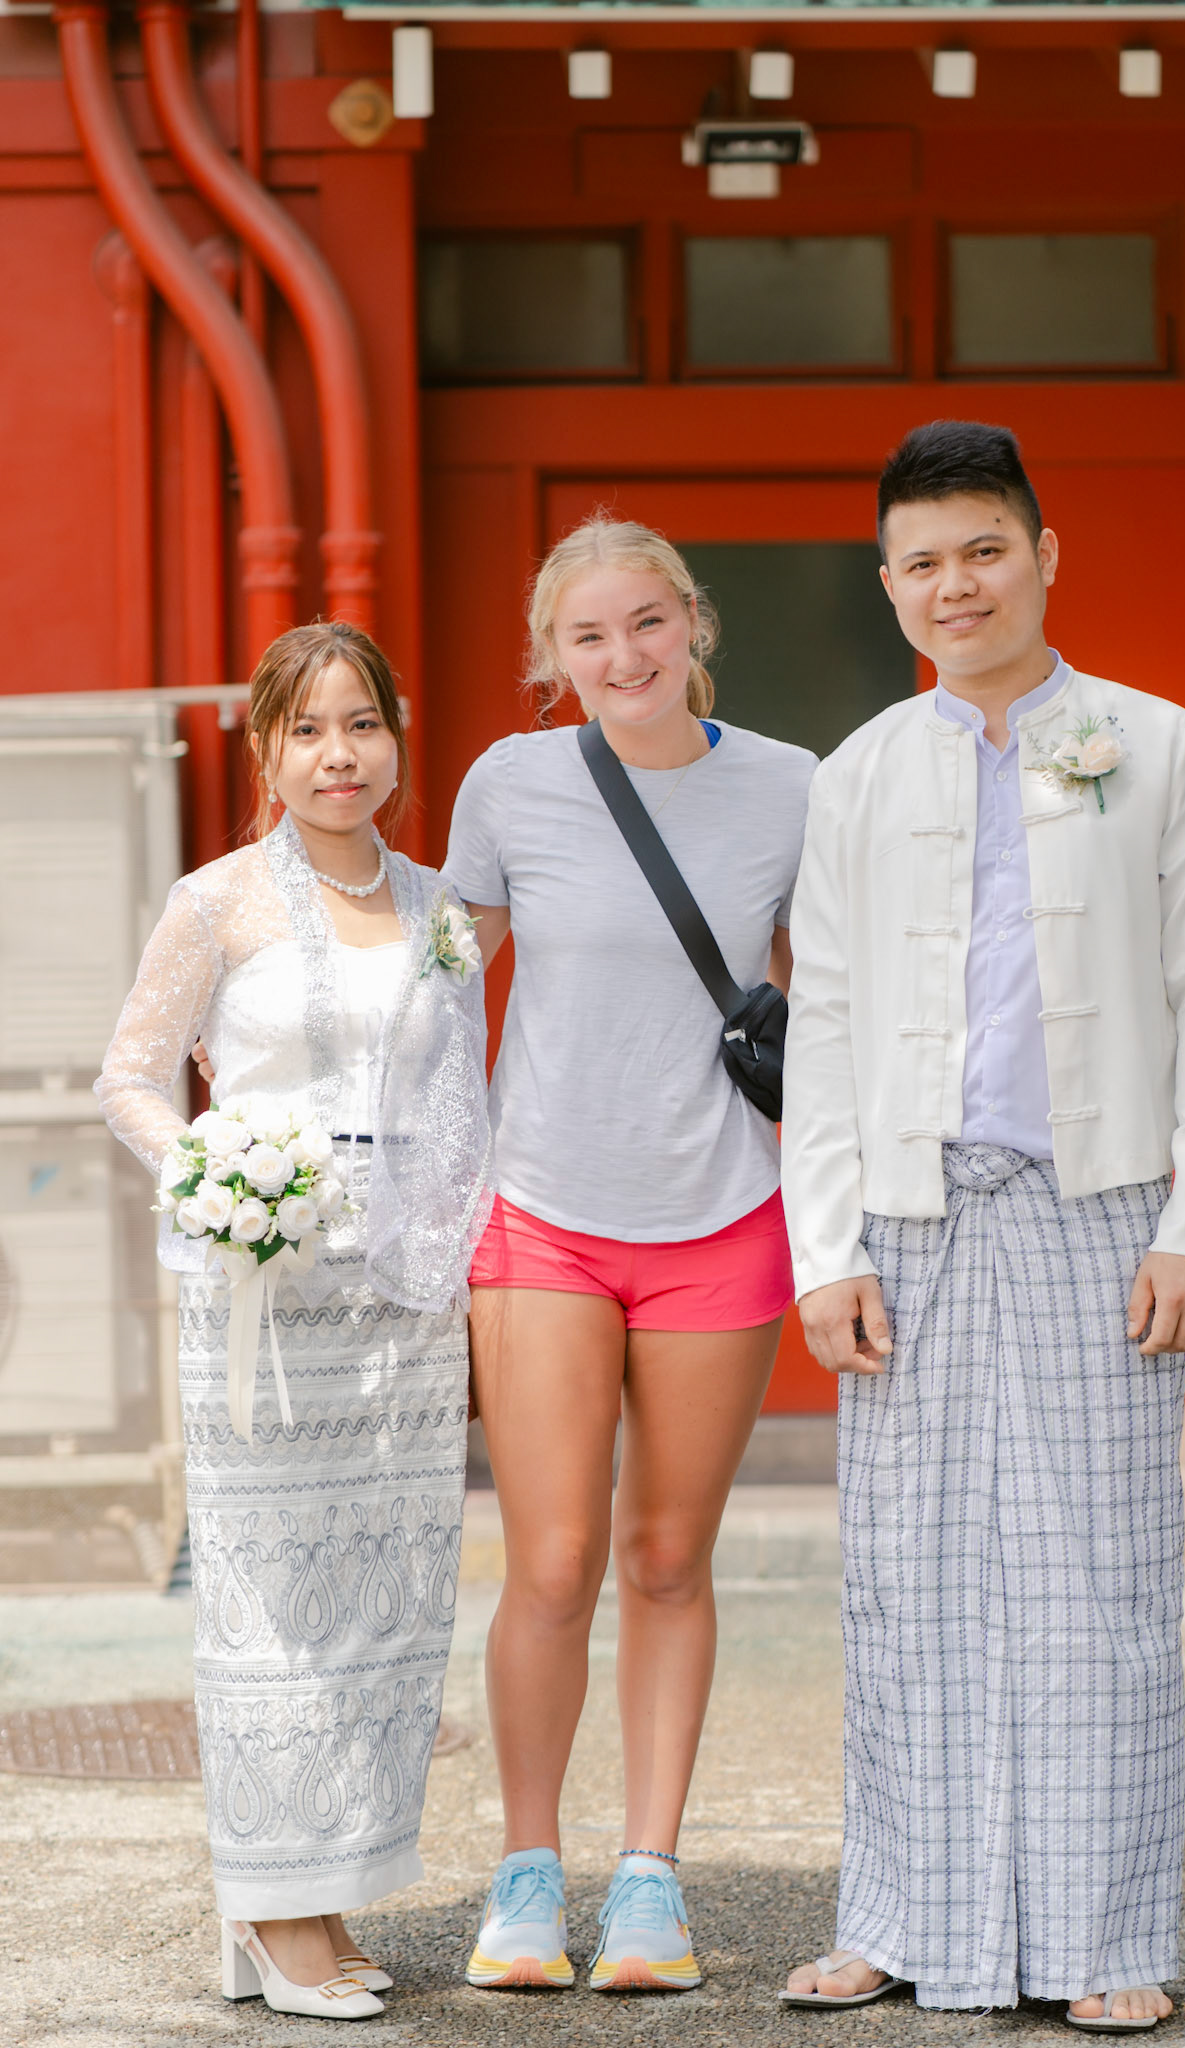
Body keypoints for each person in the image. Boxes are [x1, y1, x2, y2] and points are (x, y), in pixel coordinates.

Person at [779, 422, 1185, 2031]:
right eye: (922, 562)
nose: (956, 585)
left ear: (1045, 555)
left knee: (1100, 1584)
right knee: (904, 1583)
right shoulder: (860, 771)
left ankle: (1105, 1938)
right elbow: (825, 1020)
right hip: (909, 1220)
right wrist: (828, 1249)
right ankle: (896, 1917)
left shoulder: (1158, 745)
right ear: (888, 585)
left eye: (983, 549)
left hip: (1100, 1211)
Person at [98, 622, 492, 2021]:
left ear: (396, 738)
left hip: (407, 1301)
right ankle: (271, 1906)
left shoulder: (444, 907)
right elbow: (132, 1078)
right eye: (307, 730)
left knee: (385, 1600)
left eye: (362, 724)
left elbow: (466, 1099)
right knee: (270, 1603)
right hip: (265, 1296)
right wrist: (217, 1174)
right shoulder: (215, 902)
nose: (340, 755)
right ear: (265, 750)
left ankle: (316, 1893)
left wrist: (470, 1273)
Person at [443, 517, 815, 1993]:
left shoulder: (789, 785)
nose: (625, 657)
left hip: (720, 1215)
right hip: (541, 1213)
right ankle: (528, 1873)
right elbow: (433, 987)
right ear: (555, 657)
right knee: (552, 1560)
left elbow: (832, 993)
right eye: (589, 636)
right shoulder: (510, 784)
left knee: (667, 1558)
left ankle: (651, 1880)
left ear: (693, 622)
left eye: (647, 623)